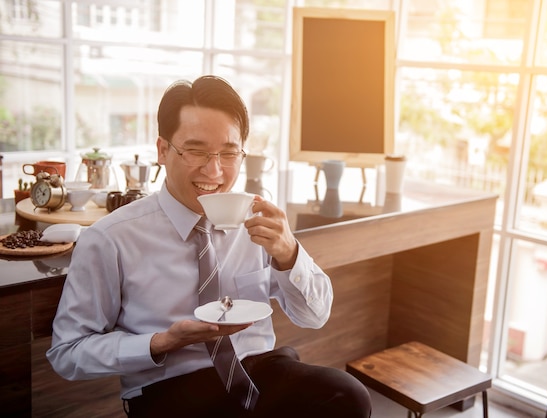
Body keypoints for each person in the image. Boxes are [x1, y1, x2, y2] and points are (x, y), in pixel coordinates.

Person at [47, 75, 371, 418]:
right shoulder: (111, 238)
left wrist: (289, 253)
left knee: (348, 395)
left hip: (259, 369)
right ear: (162, 150)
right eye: (197, 151)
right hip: (170, 390)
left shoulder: (259, 219)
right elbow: (67, 354)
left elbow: (315, 316)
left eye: (229, 153)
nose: (214, 170)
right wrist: (161, 342)